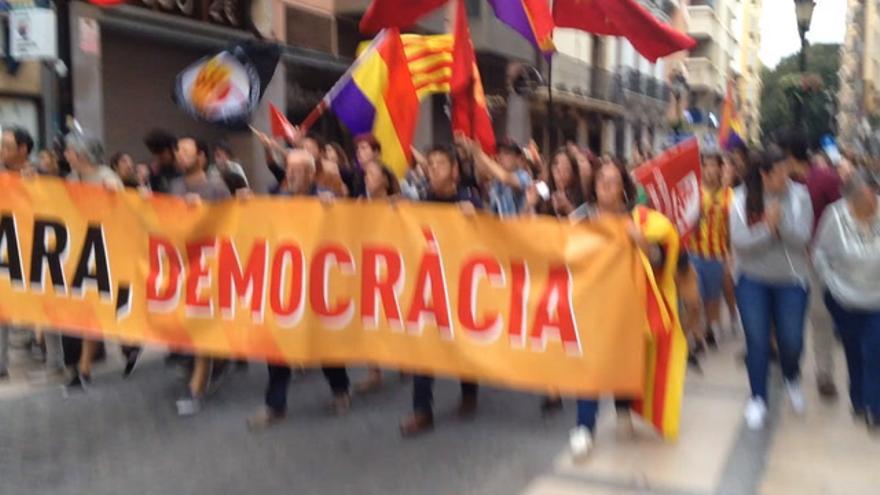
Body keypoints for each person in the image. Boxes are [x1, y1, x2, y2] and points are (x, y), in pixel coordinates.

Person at [569, 158, 681, 460]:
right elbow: (556, 247)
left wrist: (641, 242)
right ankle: (584, 427)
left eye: (614, 179)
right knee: (590, 366)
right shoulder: (580, 218)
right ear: (593, 185)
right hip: (590, 304)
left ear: (623, 188)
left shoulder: (639, 220)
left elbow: (658, 260)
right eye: (601, 178)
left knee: (623, 360)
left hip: (627, 305)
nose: (606, 184)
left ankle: (623, 411)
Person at [247, 149, 352, 430]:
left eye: (297, 169)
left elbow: (349, 229)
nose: (290, 173)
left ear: (310, 174)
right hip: (287, 285)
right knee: (278, 346)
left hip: (318, 284)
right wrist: (245, 206)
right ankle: (274, 404)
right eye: (288, 168)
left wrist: (335, 207)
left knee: (324, 342)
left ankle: (341, 389)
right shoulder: (277, 200)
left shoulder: (324, 199)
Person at [399, 145, 482, 437]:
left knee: (462, 344)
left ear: (454, 171)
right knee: (425, 347)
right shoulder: (422, 202)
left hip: (461, 287)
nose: (433, 168)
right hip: (430, 287)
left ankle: (469, 389)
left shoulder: (468, 201)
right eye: (430, 164)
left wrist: (475, 218)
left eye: (440, 164)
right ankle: (422, 410)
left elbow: (491, 239)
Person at [730, 146, 813, 430]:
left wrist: (779, 226)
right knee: (757, 340)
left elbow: (802, 237)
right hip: (752, 281)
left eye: (787, 171)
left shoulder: (800, 196)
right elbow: (740, 242)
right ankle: (758, 398)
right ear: (764, 175)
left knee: (792, 340)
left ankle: (791, 376)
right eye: (778, 173)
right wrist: (767, 229)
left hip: (791, 280)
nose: (785, 177)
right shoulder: (742, 198)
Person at [168, 136, 232, 416]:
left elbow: (233, 222)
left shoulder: (216, 188)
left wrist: (203, 213)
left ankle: (196, 389)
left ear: (201, 157)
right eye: (178, 151)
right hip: (182, 267)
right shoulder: (175, 186)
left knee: (202, 329)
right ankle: (217, 363)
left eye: (186, 151)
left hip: (209, 268)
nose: (179, 155)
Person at [812, 169, 880, 434]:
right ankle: (859, 399)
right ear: (852, 200)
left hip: (877, 299)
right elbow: (820, 253)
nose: (873, 199)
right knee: (853, 350)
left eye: (874, 194)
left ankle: (875, 407)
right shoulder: (835, 216)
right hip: (843, 297)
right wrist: (829, 281)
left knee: (874, 350)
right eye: (867, 196)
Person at [63, 134, 125, 391]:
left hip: (103, 253)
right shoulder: (69, 180)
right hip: (77, 250)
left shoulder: (107, 180)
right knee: (84, 310)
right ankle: (84, 367)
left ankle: (88, 365)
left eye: (69, 151)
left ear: (82, 154)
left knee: (96, 309)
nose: (65, 155)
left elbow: (123, 214)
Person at [785, 133, 843, 400]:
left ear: (790, 156)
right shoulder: (784, 183)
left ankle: (825, 374)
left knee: (820, 317)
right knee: (791, 317)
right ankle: (790, 367)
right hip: (789, 260)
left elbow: (842, 217)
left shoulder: (827, 179)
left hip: (819, 262)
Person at [686, 152, 735, 351]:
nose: (710, 170)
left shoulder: (729, 196)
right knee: (694, 298)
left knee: (712, 299)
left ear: (720, 168)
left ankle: (710, 329)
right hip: (693, 253)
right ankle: (697, 338)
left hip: (717, 255)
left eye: (714, 166)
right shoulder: (693, 193)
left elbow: (731, 228)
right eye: (705, 166)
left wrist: (730, 257)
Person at [465, 138, 532, 217]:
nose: (500, 157)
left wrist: (479, 154)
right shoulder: (496, 182)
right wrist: (472, 152)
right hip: (499, 228)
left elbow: (506, 178)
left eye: (506, 153)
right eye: (499, 153)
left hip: (518, 228)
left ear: (517, 159)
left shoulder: (524, 176)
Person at [144, 129, 179, 193]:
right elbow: (155, 192)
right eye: (155, 154)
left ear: (172, 150)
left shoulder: (182, 169)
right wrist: (154, 176)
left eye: (161, 155)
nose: (158, 159)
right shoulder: (157, 169)